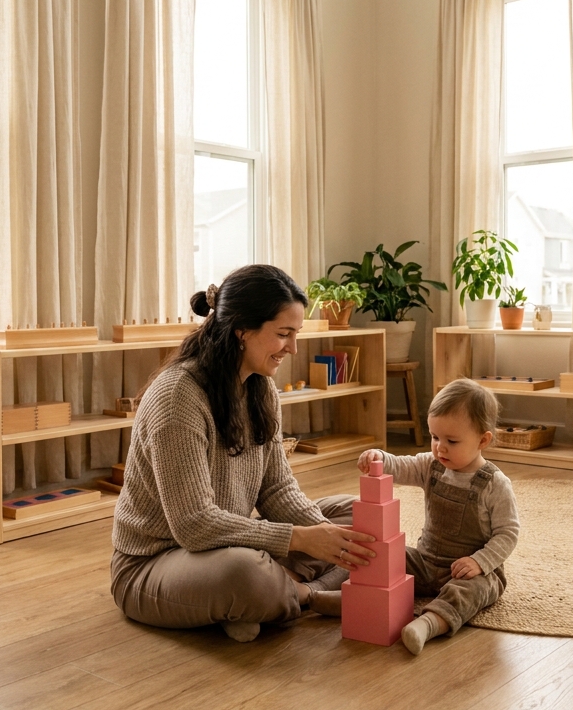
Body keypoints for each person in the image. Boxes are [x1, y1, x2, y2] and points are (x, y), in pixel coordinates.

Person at [110, 265, 377, 642]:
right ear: (242, 331)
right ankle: (307, 596)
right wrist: (301, 540)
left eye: (295, 334)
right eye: (283, 334)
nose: (293, 348)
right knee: (244, 572)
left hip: (229, 541)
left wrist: (326, 534)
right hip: (156, 562)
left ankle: (271, 593)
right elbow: (194, 525)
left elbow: (277, 490)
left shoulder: (260, 388)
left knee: (359, 517)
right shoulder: (177, 398)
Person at [313, 378, 520, 655]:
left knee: (471, 591)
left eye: (452, 441)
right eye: (435, 437)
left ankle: (428, 623)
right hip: (425, 561)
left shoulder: (495, 484)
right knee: (380, 556)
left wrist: (480, 562)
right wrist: (379, 458)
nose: (440, 448)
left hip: (468, 570)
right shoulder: (431, 466)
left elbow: (508, 533)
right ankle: (354, 598)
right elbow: (402, 465)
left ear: (483, 440)